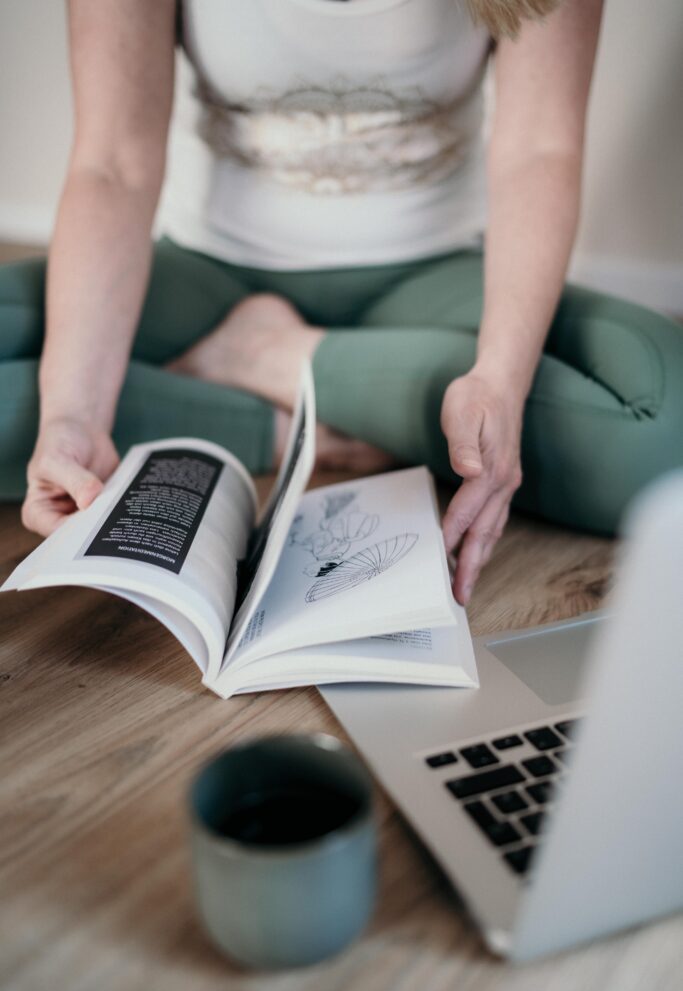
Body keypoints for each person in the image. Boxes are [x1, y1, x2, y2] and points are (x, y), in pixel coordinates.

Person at [0, 0, 681, 605]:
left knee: (665, 434)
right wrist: (71, 411)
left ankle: (273, 358)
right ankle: (338, 421)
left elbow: (540, 149)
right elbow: (112, 164)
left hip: (432, 284)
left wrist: (500, 376)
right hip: (209, 279)